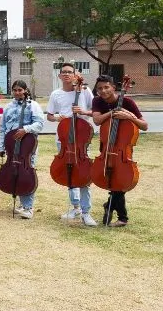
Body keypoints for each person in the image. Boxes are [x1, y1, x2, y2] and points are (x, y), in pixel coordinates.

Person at [91, 74, 148, 227]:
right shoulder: (97, 101)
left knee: (121, 181)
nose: (103, 91)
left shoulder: (128, 102)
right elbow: (97, 121)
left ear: (113, 87)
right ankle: (122, 218)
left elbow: (144, 125)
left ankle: (113, 209)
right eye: (99, 89)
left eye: (106, 87)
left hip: (123, 150)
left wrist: (128, 115)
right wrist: (113, 112)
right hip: (107, 148)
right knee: (117, 182)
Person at [46, 63, 98, 226]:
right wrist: (57, 118)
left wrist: (82, 112)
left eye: (70, 72)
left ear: (76, 75)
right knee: (69, 173)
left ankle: (86, 211)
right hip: (63, 139)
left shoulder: (84, 91)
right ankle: (75, 207)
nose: (67, 74)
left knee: (84, 174)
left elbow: (94, 111)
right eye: (64, 72)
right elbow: (49, 116)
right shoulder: (56, 94)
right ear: (60, 76)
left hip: (81, 139)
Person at [0, 80, 44, 219]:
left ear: (25, 90)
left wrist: (26, 129)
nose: (17, 93)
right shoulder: (8, 106)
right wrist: (1, 146)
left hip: (27, 145)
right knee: (14, 171)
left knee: (26, 173)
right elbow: (4, 128)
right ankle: (22, 204)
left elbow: (39, 124)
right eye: (15, 90)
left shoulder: (33, 105)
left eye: (20, 90)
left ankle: (28, 207)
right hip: (12, 145)